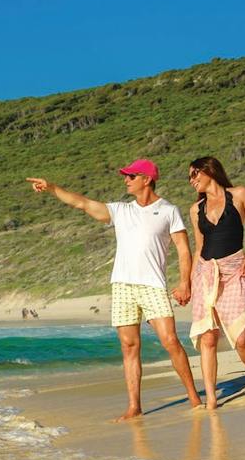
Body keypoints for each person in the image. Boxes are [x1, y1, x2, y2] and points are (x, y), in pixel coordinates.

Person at [27, 160, 199, 420]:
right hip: (122, 286)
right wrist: (52, 188)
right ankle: (134, 407)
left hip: (153, 285)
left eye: (131, 176)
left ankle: (194, 397)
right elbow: (82, 203)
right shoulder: (120, 210)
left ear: (147, 179)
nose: (126, 180)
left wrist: (185, 282)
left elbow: (184, 250)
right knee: (129, 346)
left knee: (170, 340)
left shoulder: (168, 211)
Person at [185, 156, 245, 406]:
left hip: (235, 271)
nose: (191, 181)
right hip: (206, 274)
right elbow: (199, 247)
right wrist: (190, 282)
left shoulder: (240, 195)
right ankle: (212, 398)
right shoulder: (196, 210)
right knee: (208, 337)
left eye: (194, 175)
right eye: (189, 177)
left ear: (208, 171)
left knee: (241, 336)